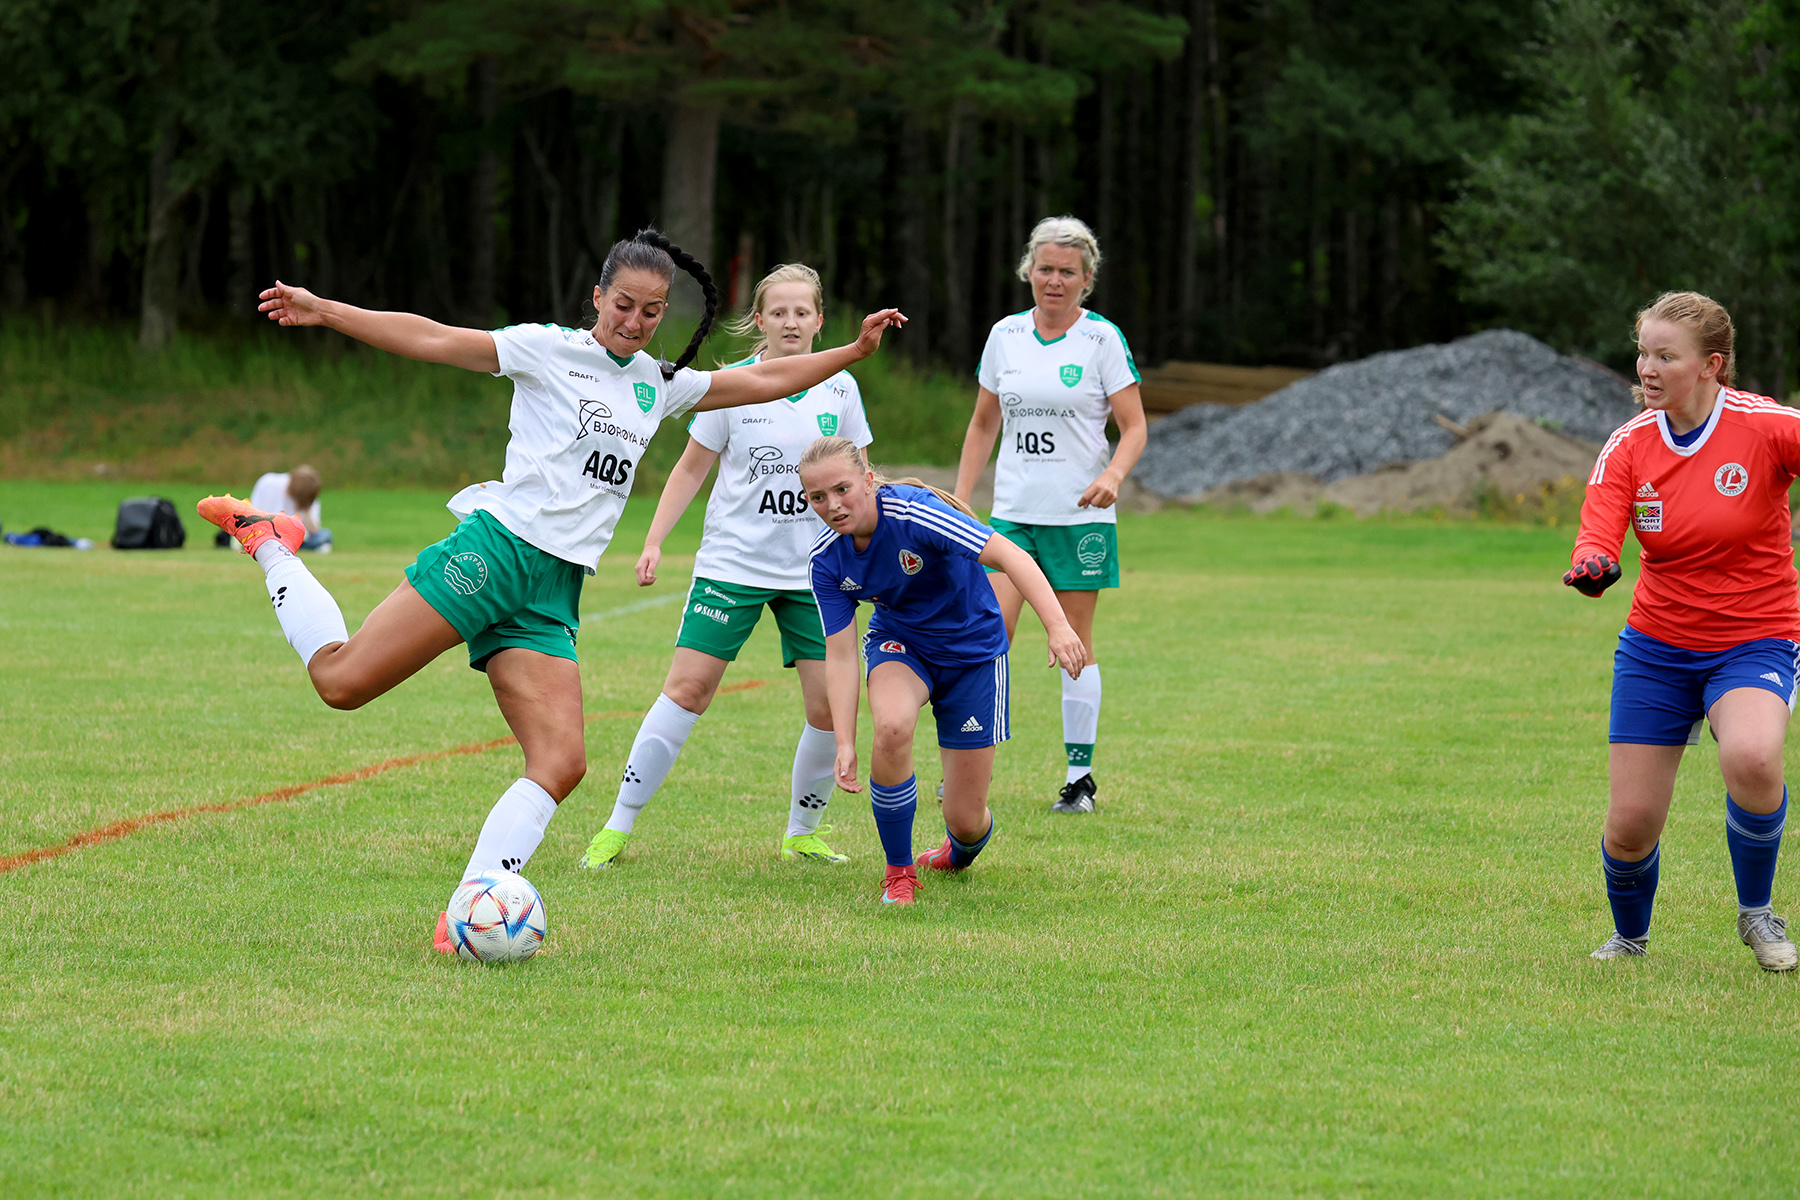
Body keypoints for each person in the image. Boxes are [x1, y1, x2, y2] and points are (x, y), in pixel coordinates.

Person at [198, 229, 905, 953]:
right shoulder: (547, 347)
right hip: (497, 552)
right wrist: (329, 311)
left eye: (652, 312)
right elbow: (437, 339)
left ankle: (464, 914)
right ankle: (273, 545)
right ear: (597, 297)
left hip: (554, 588)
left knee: (562, 762)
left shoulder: (657, 384)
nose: (634, 323)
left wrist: (852, 352)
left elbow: (757, 381)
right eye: (623, 305)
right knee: (342, 682)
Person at [577, 264, 874, 870]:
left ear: (819, 320)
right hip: (733, 566)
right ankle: (617, 825)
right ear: (758, 320)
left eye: (802, 312)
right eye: (778, 312)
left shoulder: (840, 387)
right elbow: (691, 467)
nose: (790, 322)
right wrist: (655, 540)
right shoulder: (731, 384)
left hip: (816, 572)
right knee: (687, 690)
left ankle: (803, 832)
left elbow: (861, 477)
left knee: (829, 706)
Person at [1568, 290, 1799, 972]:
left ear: (1711, 366)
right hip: (1658, 650)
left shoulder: (1764, 427)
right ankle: (1629, 939)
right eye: (1643, 353)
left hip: (1754, 638)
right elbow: (1600, 522)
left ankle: (1758, 914)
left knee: (1753, 758)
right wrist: (1593, 561)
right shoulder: (1632, 443)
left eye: (1666, 356)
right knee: (1632, 824)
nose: (1648, 367)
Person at [798, 436, 1087, 904]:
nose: (832, 505)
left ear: (868, 481)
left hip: (974, 653)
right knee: (891, 727)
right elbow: (842, 654)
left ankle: (958, 850)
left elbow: (1011, 556)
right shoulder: (826, 559)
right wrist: (846, 742)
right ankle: (898, 872)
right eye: (817, 497)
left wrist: (1057, 626)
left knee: (966, 820)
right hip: (903, 645)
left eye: (842, 489)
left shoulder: (915, 513)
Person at [953, 215, 1147, 814]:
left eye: (1067, 272)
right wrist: (961, 499)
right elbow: (985, 420)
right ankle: (965, 774)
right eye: (1045, 269)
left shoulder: (1102, 340)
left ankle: (1079, 779)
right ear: (1028, 272)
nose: (1054, 280)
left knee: (1074, 645)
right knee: (988, 637)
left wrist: (1113, 474)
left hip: (1079, 520)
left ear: (1086, 279)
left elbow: (1135, 426)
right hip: (1011, 517)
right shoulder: (1005, 335)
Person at [244, 465, 331, 552]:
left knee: (325, 534)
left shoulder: (309, 495)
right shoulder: (272, 483)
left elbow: (314, 530)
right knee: (324, 537)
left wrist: (306, 509)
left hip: (290, 538)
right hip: (269, 534)